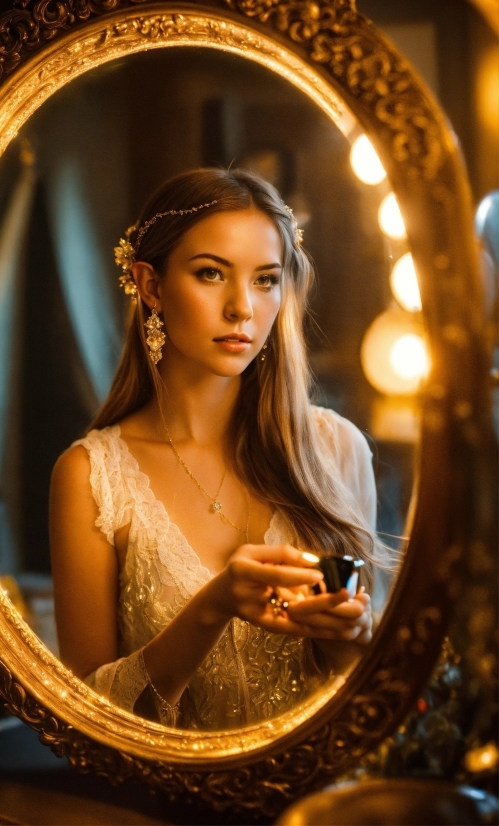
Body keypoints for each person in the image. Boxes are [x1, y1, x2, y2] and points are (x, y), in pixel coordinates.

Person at [49, 168, 386, 731]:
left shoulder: (337, 450)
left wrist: (356, 643)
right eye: (211, 274)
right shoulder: (92, 476)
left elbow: (365, 701)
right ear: (151, 286)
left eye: (265, 279)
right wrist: (213, 606)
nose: (242, 309)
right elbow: (88, 721)